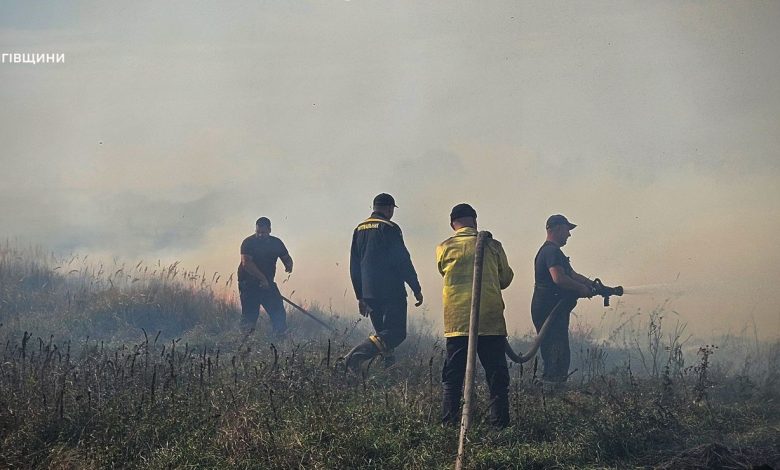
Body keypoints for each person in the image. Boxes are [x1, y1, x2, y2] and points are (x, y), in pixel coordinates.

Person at [436, 203, 514, 427]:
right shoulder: (493, 245)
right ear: (475, 221)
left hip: (457, 322)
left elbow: (442, 270)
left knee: (453, 377)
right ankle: (499, 426)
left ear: (453, 224)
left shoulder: (444, 247)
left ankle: (449, 425)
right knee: (497, 377)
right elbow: (505, 279)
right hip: (490, 321)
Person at [345, 193, 423, 371]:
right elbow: (403, 260)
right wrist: (416, 287)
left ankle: (389, 370)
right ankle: (355, 357)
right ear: (389, 209)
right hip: (391, 291)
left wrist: (360, 296)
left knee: (383, 336)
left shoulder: (359, 229)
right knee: (395, 333)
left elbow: (354, 265)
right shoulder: (390, 227)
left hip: (369, 293)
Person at [531, 214, 594, 383]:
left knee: (559, 352)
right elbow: (559, 278)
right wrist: (582, 289)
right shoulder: (551, 251)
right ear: (558, 228)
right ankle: (551, 391)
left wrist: (593, 285)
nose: (569, 234)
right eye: (567, 230)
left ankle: (552, 388)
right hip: (549, 311)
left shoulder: (554, 252)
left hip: (553, 310)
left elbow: (571, 274)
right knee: (556, 354)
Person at [237, 217, 293, 336]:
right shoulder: (248, 243)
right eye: (258, 232)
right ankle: (244, 344)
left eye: (263, 232)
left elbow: (285, 256)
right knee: (250, 316)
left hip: (267, 284)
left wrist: (289, 264)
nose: (261, 235)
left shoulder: (276, 242)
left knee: (278, 312)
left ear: (269, 230)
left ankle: (279, 339)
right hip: (249, 285)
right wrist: (262, 279)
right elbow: (246, 263)